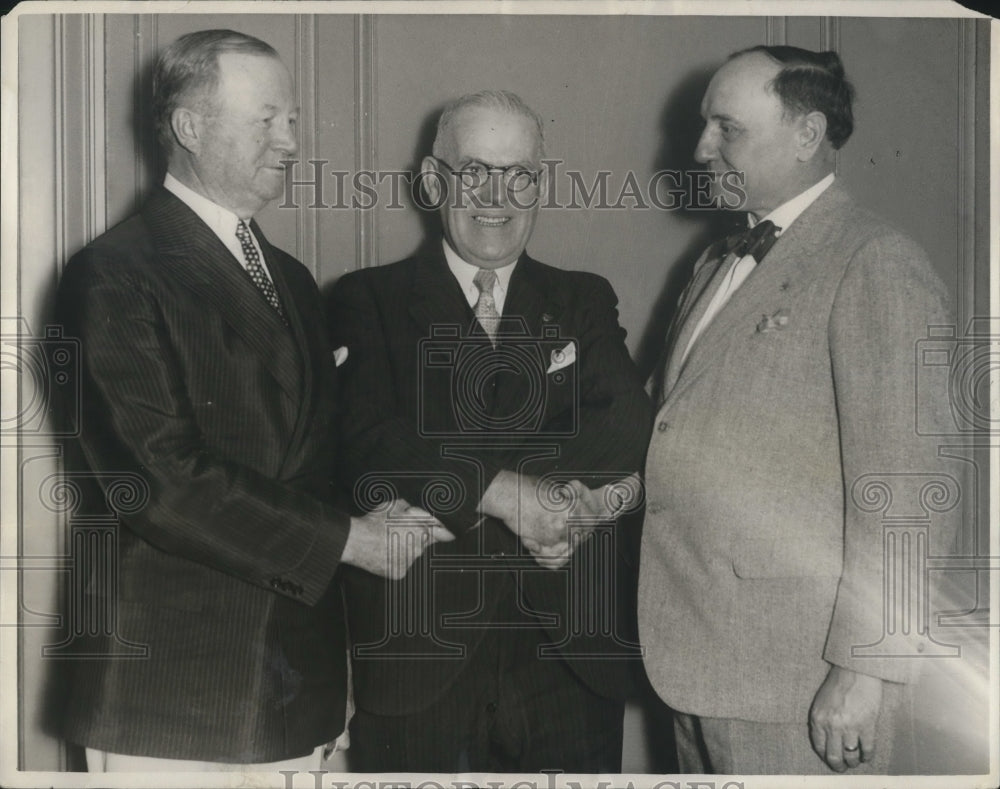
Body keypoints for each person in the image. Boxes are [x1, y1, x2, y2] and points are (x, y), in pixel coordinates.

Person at [55, 29, 449, 772]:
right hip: (169, 700)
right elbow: (162, 483)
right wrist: (353, 540)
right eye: (266, 119)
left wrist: (404, 505)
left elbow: (313, 459)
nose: (292, 140)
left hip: (297, 688)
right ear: (190, 127)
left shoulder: (292, 279)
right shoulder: (114, 273)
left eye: (294, 119)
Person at [639, 45, 959, 775]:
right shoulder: (714, 264)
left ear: (808, 134)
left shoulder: (874, 261)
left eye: (728, 129)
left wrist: (865, 669)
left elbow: (910, 487)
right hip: (697, 661)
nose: (700, 148)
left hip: (802, 684)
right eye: (703, 126)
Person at [329, 90, 651, 773]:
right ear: (432, 181)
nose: (496, 195)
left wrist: (527, 499)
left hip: (569, 659)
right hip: (419, 657)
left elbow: (627, 425)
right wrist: (505, 492)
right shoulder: (366, 300)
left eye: (520, 174)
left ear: (542, 183)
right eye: (474, 171)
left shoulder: (582, 298)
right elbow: (367, 446)